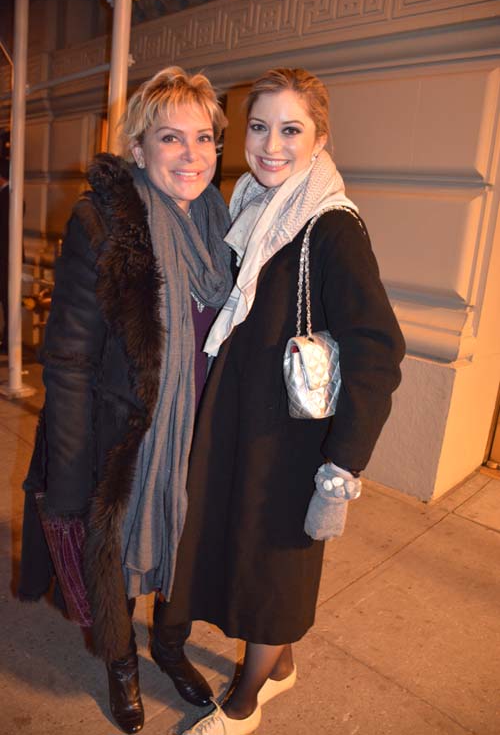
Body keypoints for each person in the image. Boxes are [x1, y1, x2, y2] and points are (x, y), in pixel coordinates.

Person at [163, 67, 406, 735]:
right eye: (260, 126)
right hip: (243, 421)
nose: (271, 144)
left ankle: (243, 703)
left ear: (320, 137)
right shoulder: (253, 207)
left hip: (292, 441)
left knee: (271, 567)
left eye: (291, 129)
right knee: (255, 558)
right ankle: (283, 660)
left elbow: (378, 347)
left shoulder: (330, 226)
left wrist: (342, 465)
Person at [18, 66, 234, 734]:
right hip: (125, 430)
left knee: (187, 544)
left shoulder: (219, 220)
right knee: (117, 554)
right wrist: (75, 473)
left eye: (204, 138)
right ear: (138, 147)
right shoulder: (105, 223)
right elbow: (70, 357)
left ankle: (168, 645)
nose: (192, 156)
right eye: (172, 138)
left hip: (200, 426)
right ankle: (122, 662)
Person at [0, 157, 9, 353]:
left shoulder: (7, 196)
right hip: (6, 257)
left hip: (5, 258)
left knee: (7, 300)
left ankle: (8, 342)